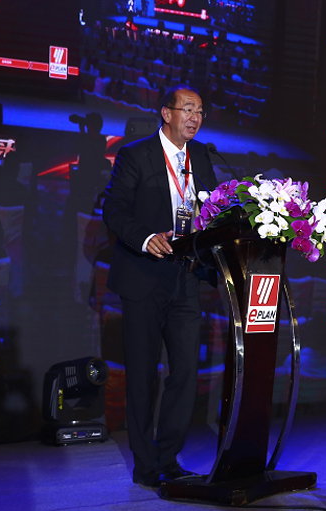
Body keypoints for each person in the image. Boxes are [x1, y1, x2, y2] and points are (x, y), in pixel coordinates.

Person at [102, 85, 217, 488]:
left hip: (185, 277)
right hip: (144, 278)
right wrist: (147, 237)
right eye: (188, 109)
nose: (195, 117)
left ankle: (169, 458)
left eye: (200, 111)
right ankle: (145, 464)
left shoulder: (202, 156)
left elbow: (213, 209)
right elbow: (114, 208)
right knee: (142, 375)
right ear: (166, 114)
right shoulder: (135, 155)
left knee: (185, 371)